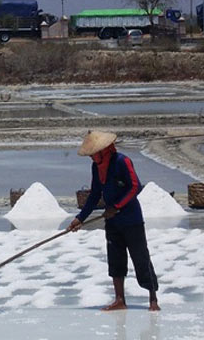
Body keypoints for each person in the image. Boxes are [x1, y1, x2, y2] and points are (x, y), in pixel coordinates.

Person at [68, 130, 160, 312]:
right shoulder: (96, 168)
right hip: (112, 223)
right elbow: (95, 195)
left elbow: (135, 187)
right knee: (115, 261)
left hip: (131, 220)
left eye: (93, 154)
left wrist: (116, 206)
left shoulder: (122, 162)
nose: (92, 158)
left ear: (104, 151)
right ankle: (119, 300)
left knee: (141, 258)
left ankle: (153, 299)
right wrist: (79, 218)